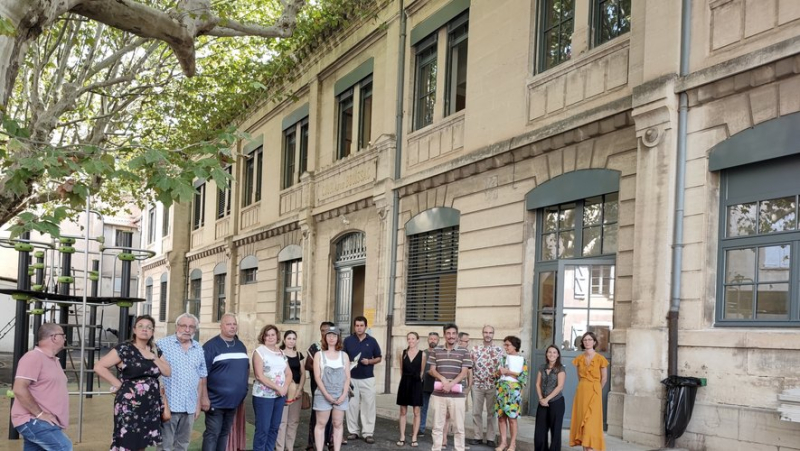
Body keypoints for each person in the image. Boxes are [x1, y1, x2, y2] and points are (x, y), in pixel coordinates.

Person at [95, 314, 172, 451]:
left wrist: (153, 357)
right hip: (130, 404)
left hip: (150, 404)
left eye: (149, 327)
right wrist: (118, 384)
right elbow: (99, 366)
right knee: (127, 441)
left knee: (141, 442)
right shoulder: (124, 348)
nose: (145, 329)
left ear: (152, 332)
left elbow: (167, 372)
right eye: (141, 326)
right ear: (135, 330)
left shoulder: (155, 349)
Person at [11, 323, 72, 450]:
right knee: (64, 447)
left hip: (46, 422)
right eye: (63, 336)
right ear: (54, 337)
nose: (65, 339)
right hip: (33, 420)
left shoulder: (52, 360)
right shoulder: (33, 357)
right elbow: (19, 389)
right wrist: (39, 414)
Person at [158, 313, 208, 451]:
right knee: (165, 446)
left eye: (191, 327)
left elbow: (201, 377)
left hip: (189, 406)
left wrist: (198, 405)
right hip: (170, 405)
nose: (187, 330)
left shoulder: (198, 348)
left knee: (183, 445)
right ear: (176, 327)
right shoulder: (162, 344)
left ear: (195, 330)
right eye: (183, 326)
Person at [200, 313, 249, 451]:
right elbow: (202, 374)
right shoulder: (210, 346)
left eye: (234, 324)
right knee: (212, 434)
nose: (232, 327)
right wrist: (204, 397)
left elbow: (244, 370)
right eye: (228, 324)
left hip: (234, 402)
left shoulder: (240, 345)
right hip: (215, 401)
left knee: (224, 434)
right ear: (221, 326)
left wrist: (243, 391)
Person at [429, 323, 471, 451]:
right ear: (444, 335)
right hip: (438, 395)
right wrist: (442, 379)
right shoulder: (436, 350)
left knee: (459, 428)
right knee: (437, 426)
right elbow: (431, 370)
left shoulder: (464, 351)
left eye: (453, 333)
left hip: (457, 396)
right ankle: (436, 448)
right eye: (448, 333)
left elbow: (464, 373)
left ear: (457, 335)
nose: (451, 336)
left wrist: (450, 384)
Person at [343, 316, 382, 444]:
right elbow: (342, 357)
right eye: (357, 325)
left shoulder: (372, 341)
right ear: (354, 327)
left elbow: (379, 357)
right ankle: (353, 431)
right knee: (351, 406)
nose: (359, 328)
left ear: (365, 326)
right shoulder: (348, 340)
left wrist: (369, 361)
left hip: (368, 377)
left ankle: (368, 433)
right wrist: (347, 363)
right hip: (352, 378)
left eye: (361, 325)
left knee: (369, 406)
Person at [252, 324, 291, 451]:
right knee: (263, 429)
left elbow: (288, 372)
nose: (270, 337)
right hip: (263, 396)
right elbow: (259, 375)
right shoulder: (259, 352)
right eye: (267, 335)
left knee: (274, 428)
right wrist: (278, 388)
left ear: (277, 336)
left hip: (279, 396)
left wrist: (285, 387)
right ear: (263, 337)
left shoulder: (281, 352)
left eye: (273, 335)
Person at [569, 331, 608, 451]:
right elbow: (579, 377)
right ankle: (586, 448)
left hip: (595, 392)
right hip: (582, 392)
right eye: (585, 340)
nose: (587, 342)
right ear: (582, 343)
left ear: (594, 342)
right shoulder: (579, 359)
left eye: (590, 340)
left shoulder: (601, 359)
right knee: (583, 423)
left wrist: (597, 390)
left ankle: (590, 448)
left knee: (591, 423)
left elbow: (604, 379)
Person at [313, 326, 351, 451]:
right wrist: (327, 395)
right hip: (323, 394)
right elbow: (317, 377)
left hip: (340, 394)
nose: (331, 338)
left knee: (338, 424)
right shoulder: (319, 355)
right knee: (321, 424)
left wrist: (344, 394)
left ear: (338, 338)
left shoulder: (344, 356)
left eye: (334, 335)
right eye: (329, 335)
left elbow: (347, 378)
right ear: (325, 337)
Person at [469, 325, 503, 448]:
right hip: (477, 385)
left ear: (493, 334)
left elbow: (502, 369)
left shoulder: (499, 350)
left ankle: (490, 438)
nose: (488, 334)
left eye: (490, 332)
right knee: (476, 412)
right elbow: (470, 368)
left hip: (492, 385)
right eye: (485, 332)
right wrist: (471, 382)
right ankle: (477, 436)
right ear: (482, 333)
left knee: (491, 413)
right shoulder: (475, 349)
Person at [495, 336, 528, 451]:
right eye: (505, 345)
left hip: (514, 392)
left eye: (507, 345)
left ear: (515, 346)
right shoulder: (502, 359)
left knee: (512, 418)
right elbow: (495, 375)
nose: (505, 347)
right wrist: (498, 373)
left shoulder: (522, 360)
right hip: (501, 390)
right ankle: (503, 442)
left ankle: (512, 444)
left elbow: (523, 378)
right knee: (501, 417)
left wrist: (508, 372)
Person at [306, 321, 335, 450]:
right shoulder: (315, 347)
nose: (324, 333)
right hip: (317, 384)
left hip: (333, 385)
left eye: (327, 330)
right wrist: (321, 369)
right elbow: (307, 365)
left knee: (333, 412)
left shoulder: (336, 347)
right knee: (317, 412)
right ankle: (312, 443)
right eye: (322, 330)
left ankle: (330, 440)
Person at [276, 329, 305, 451]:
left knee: (293, 421)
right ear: (284, 340)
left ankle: (289, 447)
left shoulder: (299, 355)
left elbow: (303, 373)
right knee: (282, 421)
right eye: (289, 338)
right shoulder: (279, 353)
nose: (291, 341)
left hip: (297, 389)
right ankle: (280, 447)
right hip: (284, 389)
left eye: (294, 339)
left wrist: (299, 389)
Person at [396, 331, 425, 448]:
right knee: (403, 411)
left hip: (416, 383)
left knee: (416, 412)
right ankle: (402, 436)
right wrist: (404, 381)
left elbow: (422, 372)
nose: (411, 341)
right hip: (405, 382)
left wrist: (418, 382)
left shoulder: (422, 354)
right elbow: (401, 370)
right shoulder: (402, 353)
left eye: (413, 339)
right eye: (409, 339)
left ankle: (414, 437)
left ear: (417, 340)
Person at [534, 345, 566, 451]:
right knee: (540, 431)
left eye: (554, 352)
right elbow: (538, 384)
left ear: (557, 355)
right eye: (549, 352)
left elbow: (560, 386)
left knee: (555, 431)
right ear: (546, 354)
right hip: (542, 402)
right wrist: (541, 398)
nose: (551, 354)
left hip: (556, 402)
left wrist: (547, 399)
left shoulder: (560, 368)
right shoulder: (542, 367)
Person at [419, 332, 439, 438]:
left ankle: (436, 431)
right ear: (428, 340)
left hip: (437, 385)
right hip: (424, 385)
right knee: (423, 408)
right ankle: (421, 429)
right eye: (431, 338)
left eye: (435, 339)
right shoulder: (423, 353)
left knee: (438, 410)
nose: (432, 341)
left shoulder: (441, 353)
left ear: (438, 340)